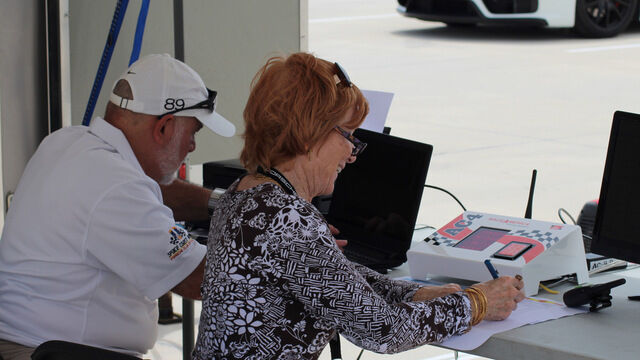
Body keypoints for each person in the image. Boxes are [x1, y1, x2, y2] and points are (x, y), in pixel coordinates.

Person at [192, 52, 526, 359]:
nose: (353, 153)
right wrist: (477, 303)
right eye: (349, 134)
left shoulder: (245, 193)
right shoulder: (286, 219)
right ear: (310, 132)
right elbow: (383, 330)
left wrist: (411, 294)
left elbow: (335, 277)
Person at [0, 53, 235, 360]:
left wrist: (227, 205)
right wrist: (289, 248)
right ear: (163, 127)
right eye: (193, 133)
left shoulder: (66, 142)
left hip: (33, 344)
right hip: (59, 353)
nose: (192, 146)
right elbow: (202, 279)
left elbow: (156, 191)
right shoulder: (117, 186)